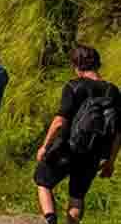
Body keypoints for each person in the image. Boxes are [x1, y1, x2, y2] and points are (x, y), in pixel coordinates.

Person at [34, 45, 121, 224]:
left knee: (43, 182)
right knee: (77, 197)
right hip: (93, 154)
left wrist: (44, 146)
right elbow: (118, 132)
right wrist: (110, 162)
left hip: (66, 148)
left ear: (77, 65)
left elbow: (59, 122)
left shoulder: (74, 86)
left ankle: (51, 221)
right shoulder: (113, 91)